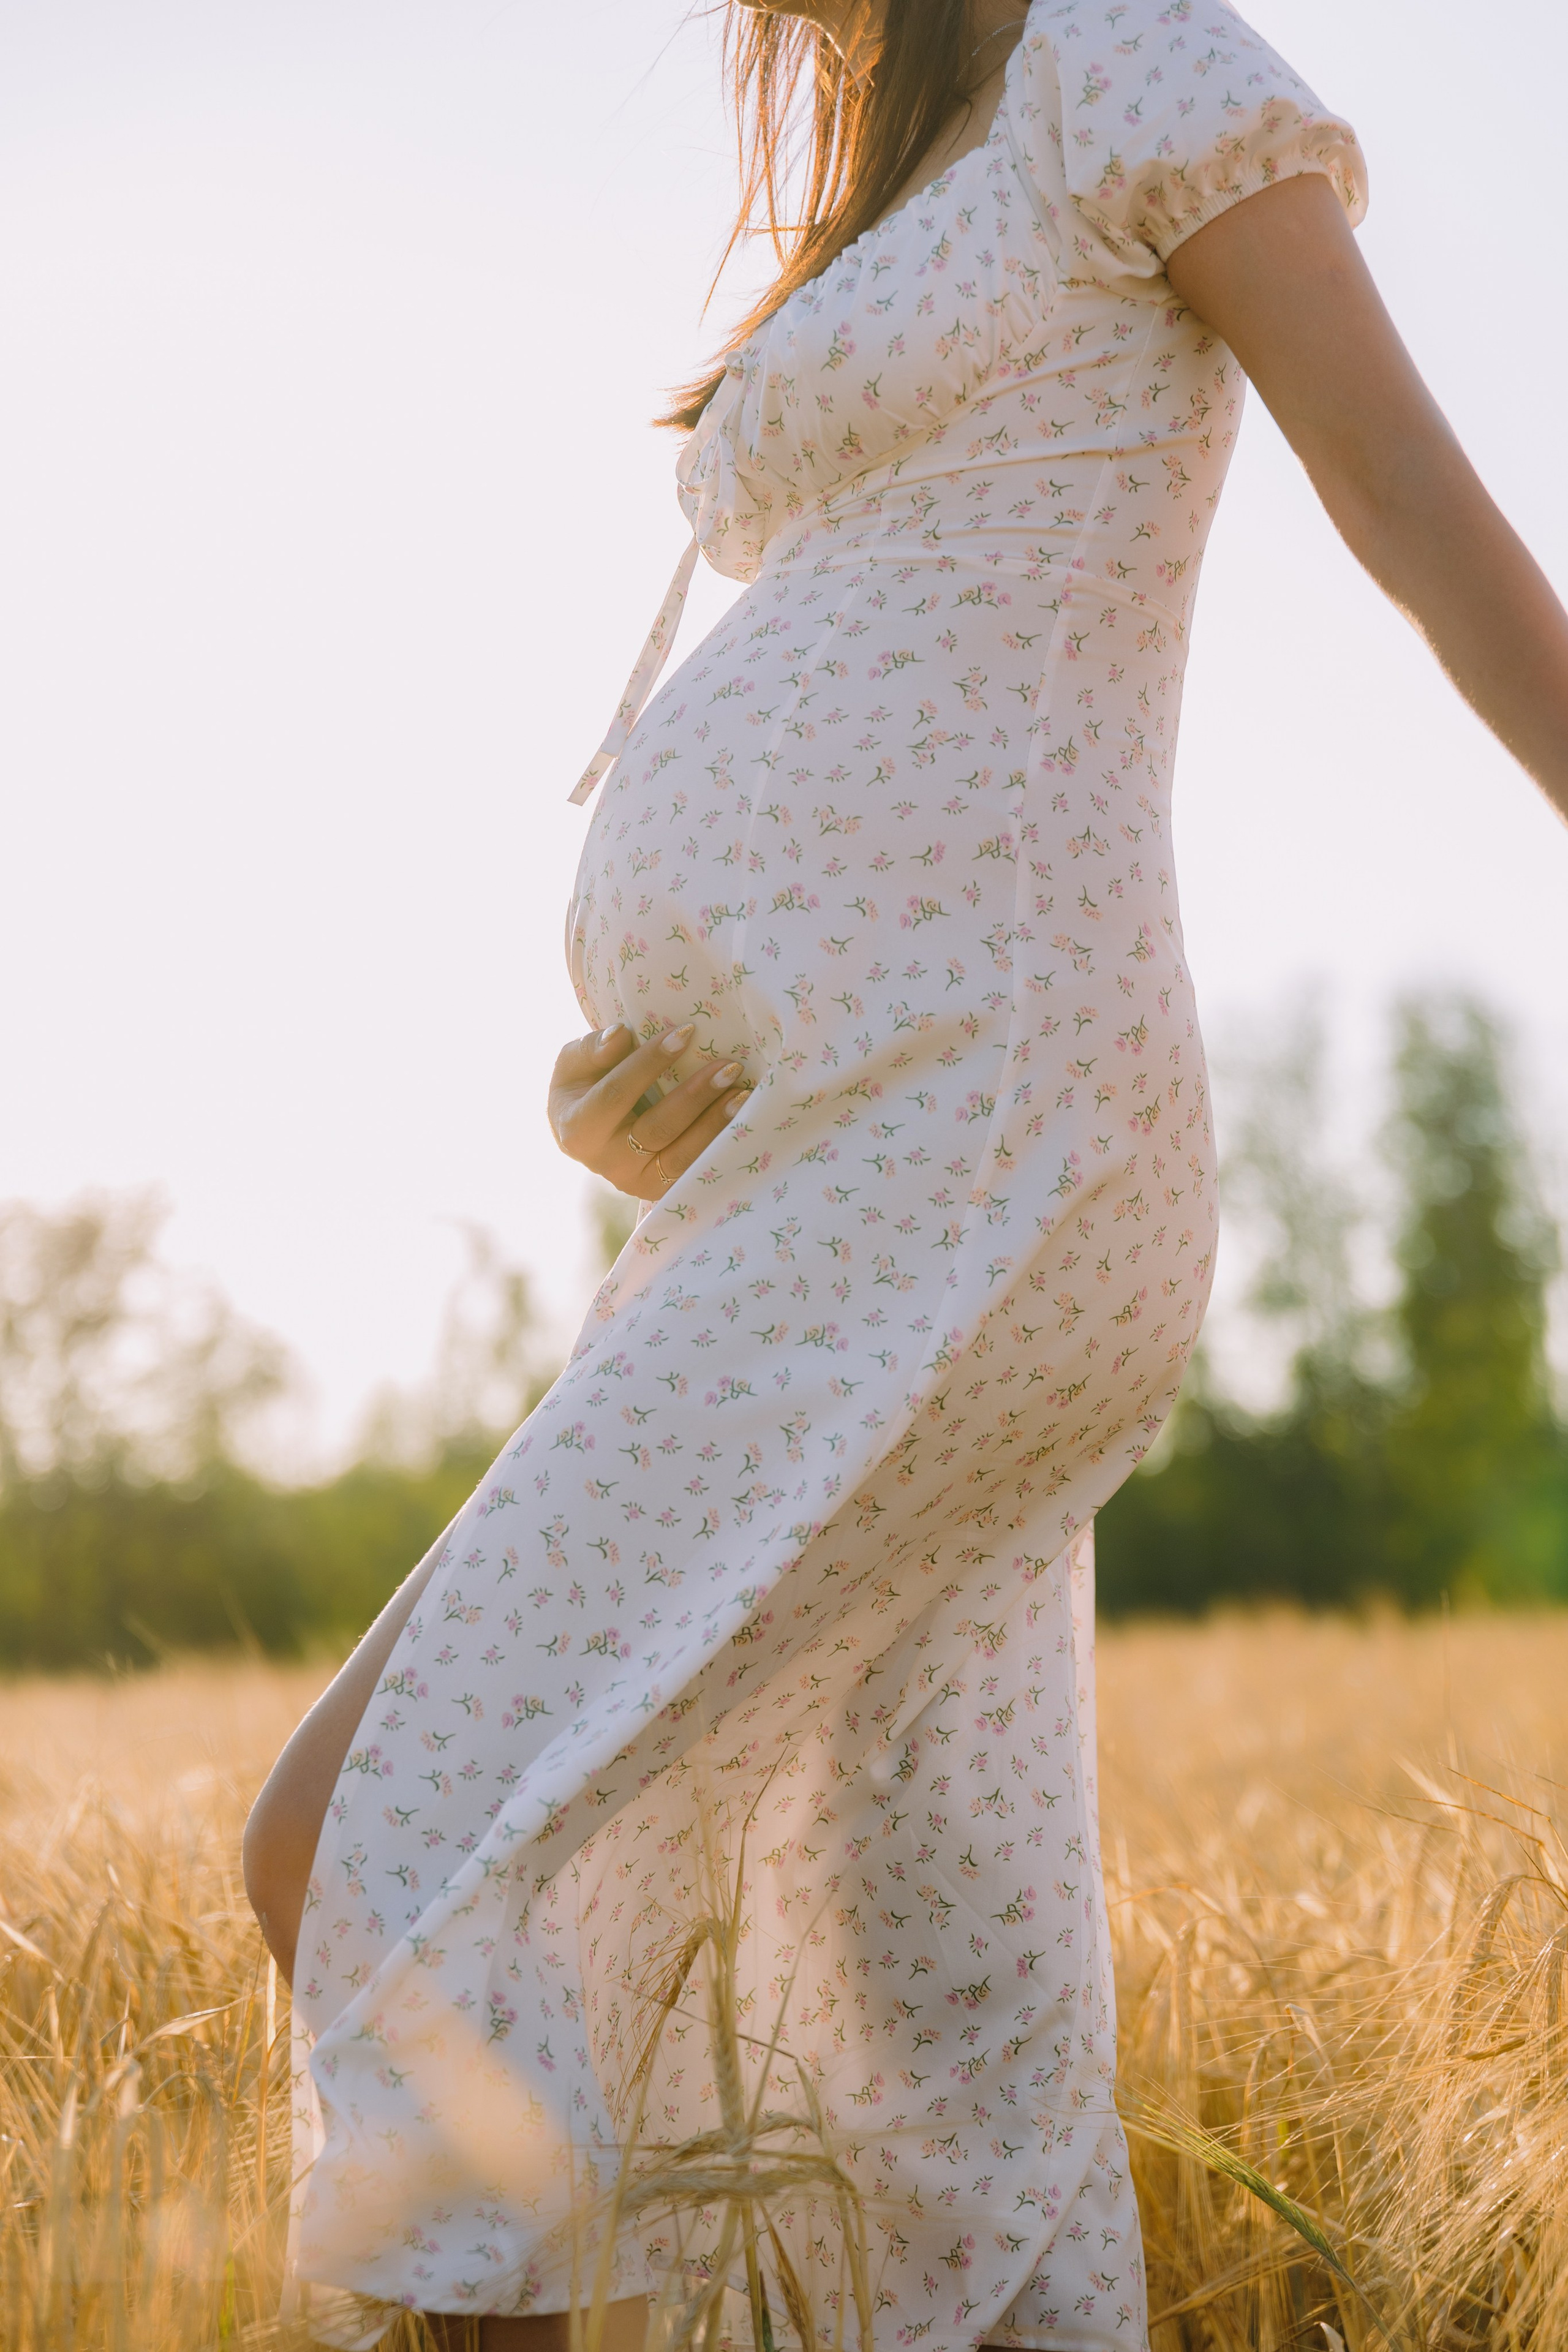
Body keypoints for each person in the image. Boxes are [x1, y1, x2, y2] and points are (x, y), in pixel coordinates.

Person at [243, 1, 1568, 2346]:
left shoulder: (1133, 52)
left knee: (363, 1830)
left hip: (981, 1139)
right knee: (945, 2034)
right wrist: (672, 1042)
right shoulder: (906, 146)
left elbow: (1424, 526)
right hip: (822, 1147)